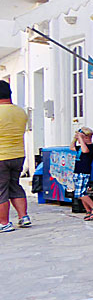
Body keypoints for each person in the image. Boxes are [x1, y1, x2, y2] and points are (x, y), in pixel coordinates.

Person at [0, 81, 30, 232]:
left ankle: (4, 223)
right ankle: (23, 217)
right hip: (18, 154)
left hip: (1, 156)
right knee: (15, 185)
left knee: (1, 190)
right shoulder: (20, 112)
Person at [71, 126, 93, 221]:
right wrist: (75, 139)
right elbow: (71, 147)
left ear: (86, 138)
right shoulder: (80, 147)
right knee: (81, 193)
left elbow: (85, 151)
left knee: (80, 193)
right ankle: (88, 210)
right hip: (77, 171)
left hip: (84, 172)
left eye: (82, 137)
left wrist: (81, 138)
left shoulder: (90, 147)